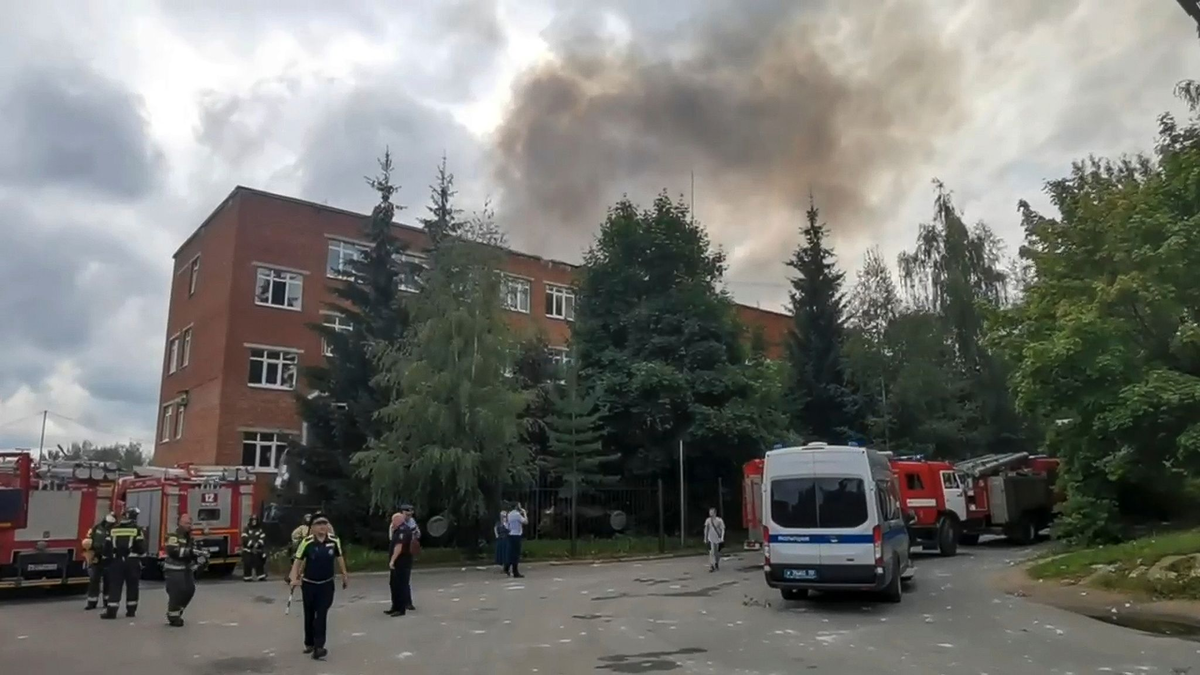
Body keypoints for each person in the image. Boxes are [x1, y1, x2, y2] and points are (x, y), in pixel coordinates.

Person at [288, 513, 348, 661]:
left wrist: (344, 574)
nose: (322, 526)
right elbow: (298, 560)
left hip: (326, 584)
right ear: (312, 528)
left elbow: (339, 557)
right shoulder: (307, 542)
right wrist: (294, 577)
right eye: (319, 524)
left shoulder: (334, 541)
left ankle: (319, 646)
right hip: (309, 584)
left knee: (321, 614)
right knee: (309, 614)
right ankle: (309, 642)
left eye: (325, 523)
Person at [164, 512, 207, 627]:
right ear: (179, 523)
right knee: (177, 592)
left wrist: (200, 557)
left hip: (186, 569)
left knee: (189, 591)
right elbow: (173, 551)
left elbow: (193, 551)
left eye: (190, 523)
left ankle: (177, 611)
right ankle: (173, 616)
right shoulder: (173, 535)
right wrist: (191, 552)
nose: (189, 525)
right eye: (186, 523)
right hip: (173, 569)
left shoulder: (189, 537)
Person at [102, 506, 145, 619]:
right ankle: (131, 610)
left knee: (115, 585)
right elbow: (141, 547)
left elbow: (107, 548)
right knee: (132, 586)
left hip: (116, 561)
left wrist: (108, 559)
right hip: (132, 561)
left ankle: (111, 611)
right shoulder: (137, 530)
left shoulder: (113, 529)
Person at [82, 512, 116, 610]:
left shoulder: (114, 530)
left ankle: (107, 601)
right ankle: (92, 602)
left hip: (109, 558)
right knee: (94, 580)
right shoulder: (96, 528)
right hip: (97, 557)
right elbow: (89, 539)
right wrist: (90, 552)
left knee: (108, 581)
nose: (108, 524)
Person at [386, 510, 414, 616]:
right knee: (394, 585)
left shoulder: (403, 531)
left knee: (400, 585)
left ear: (398, 520)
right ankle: (395, 606)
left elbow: (399, 547)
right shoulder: (398, 530)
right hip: (398, 563)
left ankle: (400, 609)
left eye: (393, 521)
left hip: (402, 563)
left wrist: (392, 560)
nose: (392, 523)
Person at [504, 503, 527, 578]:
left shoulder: (509, 514)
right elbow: (525, 522)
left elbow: (507, 525)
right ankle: (515, 571)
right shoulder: (517, 515)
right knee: (516, 554)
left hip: (511, 534)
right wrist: (524, 513)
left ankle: (507, 566)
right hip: (517, 535)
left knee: (511, 552)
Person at [241, 514, 267, 581]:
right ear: (250, 521)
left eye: (255, 520)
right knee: (247, 563)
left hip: (257, 550)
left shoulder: (260, 530)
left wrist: (258, 544)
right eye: (253, 520)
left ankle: (261, 576)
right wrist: (251, 544)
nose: (254, 522)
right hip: (248, 550)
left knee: (259, 563)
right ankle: (247, 577)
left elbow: (263, 538)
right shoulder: (246, 529)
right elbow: (244, 538)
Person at [703, 507, 726, 572]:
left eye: (712, 512)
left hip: (718, 539)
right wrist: (705, 538)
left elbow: (723, 529)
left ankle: (716, 563)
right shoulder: (708, 520)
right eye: (710, 512)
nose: (711, 514)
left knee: (717, 553)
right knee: (711, 552)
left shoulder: (719, 520)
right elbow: (706, 529)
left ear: (715, 513)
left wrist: (722, 538)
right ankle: (711, 565)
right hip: (711, 539)